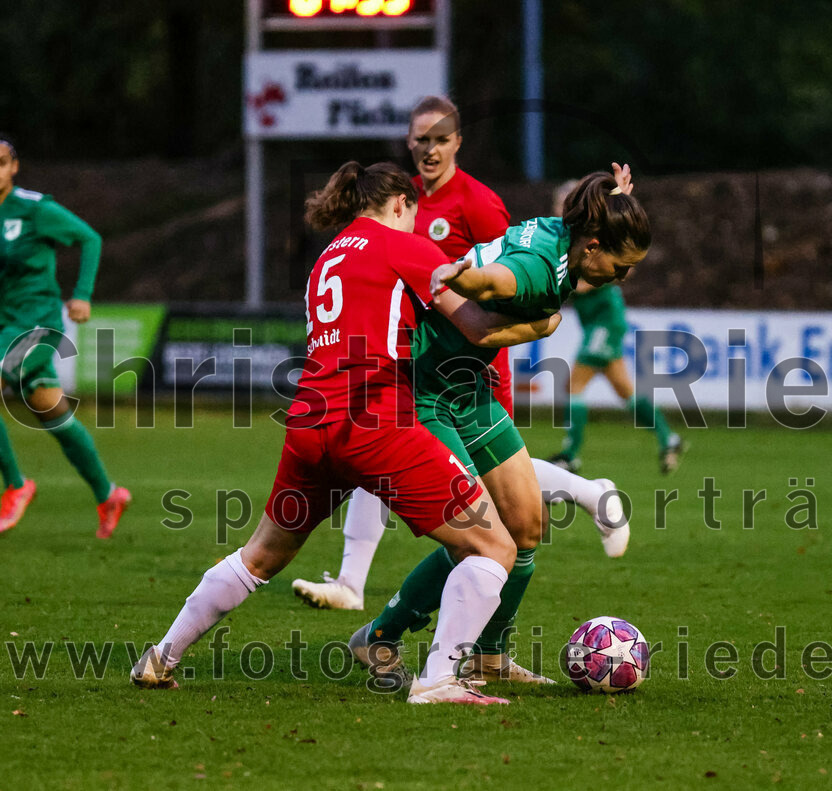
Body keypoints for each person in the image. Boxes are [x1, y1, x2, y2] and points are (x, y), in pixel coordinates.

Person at [130, 161, 560, 705]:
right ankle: (439, 680)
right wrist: (542, 324)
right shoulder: (402, 245)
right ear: (401, 204)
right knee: (495, 545)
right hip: (375, 423)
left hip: (311, 422)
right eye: (413, 212)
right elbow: (476, 326)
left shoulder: (327, 257)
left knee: (259, 555)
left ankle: (160, 656)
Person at [291, 100, 631, 616]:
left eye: (440, 139)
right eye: (421, 139)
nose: (430, 149)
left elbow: (517, 271)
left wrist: (485, 295)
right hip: (416, 361)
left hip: (472, 366)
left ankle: (584, 493)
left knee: (483, 507)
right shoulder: (397, 200)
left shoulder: (477, 203)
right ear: (408, 142)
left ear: (457, 144)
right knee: (440, 489)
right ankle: (358, 589)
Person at [350, 169, 651, 688]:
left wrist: (618, 198)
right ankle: (380, 638)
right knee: (479, 539)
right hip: (426, 393)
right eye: (620, 267)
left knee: (526, 527)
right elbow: (499, 280)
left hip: (469, 389)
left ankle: (490, 656)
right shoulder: (538, 269)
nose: (620, 278)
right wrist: (458, 276)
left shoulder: (564, 234)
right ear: (594, 246)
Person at [0, 135, 130, 537]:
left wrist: (83, 295)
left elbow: (90, 238)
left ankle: (17, 486)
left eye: (1, 162)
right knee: (51, 411)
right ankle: (108, 494)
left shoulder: (35, 209)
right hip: (5, 326)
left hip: (37, 325)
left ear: (14, 167)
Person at [546, 180, 684, 475]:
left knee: (574, 385)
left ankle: (570, 455)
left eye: (564, 202)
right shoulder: (564, 235)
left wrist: (575, 284)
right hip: (599, 322)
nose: (559, 208)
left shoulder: (591, 231)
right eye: (558, 203)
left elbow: (626, 264)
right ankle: (668, 438)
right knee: (625, 392)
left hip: (605, 320)